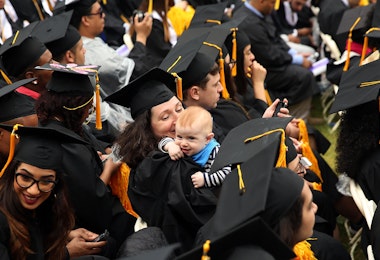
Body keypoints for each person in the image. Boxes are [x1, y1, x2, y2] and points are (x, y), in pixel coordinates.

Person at [106, 67, 218, 253]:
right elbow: (204, 209)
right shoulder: (163, 165)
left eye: (179, 108)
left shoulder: (183, 145)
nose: (179, 119)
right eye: (165, 117)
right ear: (147, 129)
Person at [35, 64, 137, 257]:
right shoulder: (70, 147)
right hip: (78, 227)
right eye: (89, 108)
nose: (89, 113)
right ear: (75, 108)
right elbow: (93, 202)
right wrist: (107, 168)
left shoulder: (45, 125)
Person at [0, 125, 107, 259]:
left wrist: (66, 234)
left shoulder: (46, 207)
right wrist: (65, 253)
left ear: (57, 184)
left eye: (46, 181)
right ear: (12, 174)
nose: (33, 190)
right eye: (25, 177)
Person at [232, 0, 316, 121]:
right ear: (261, 1)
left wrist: (294, 53)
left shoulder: (262, 13)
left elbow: (276, 37)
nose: (274, 6)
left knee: (305, 63)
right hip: (265, 66)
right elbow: (268, 54)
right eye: (272, 2)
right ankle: (293, 117)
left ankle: (302, 114)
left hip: (272, 61)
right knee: (304, 76)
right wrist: (297, 60)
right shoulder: (248, 22)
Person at [158, 106, 231, 188]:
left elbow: (226, 173)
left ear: (207, 139)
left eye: (191, 138)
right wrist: (170, 146)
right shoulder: (178, 143)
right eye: (179, 136)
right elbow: (163, 141)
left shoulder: (214, 151)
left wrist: (205, 179)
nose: (183, 143)